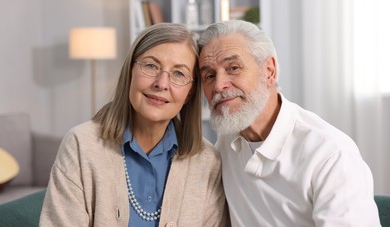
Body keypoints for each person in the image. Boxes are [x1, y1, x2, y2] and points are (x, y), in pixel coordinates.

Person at [40, 23, 229, 226]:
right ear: (130, 71)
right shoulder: (81, 146)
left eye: (178, 74)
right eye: (151, 66)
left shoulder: (208, 161)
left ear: (189, 93)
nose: (161, 83)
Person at [198, 20, 380, 226]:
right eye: (209, 75)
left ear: (269, 71)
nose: (219, 85)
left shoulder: (331, 154)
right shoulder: (224, 146)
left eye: (233, 68)